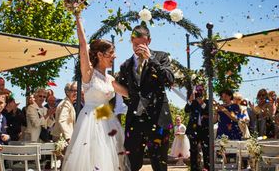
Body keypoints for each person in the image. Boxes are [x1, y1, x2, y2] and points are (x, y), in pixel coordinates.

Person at [62, 12, 130, 171]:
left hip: (107, 117)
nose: (115, 56)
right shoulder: (89, 73)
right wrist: (78, 17)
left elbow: (129, 93)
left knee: (109, 157)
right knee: (91, 157)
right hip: (90, 119)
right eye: (111, 53)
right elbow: (83, 44)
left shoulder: (110, 78)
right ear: (100, 54)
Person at [117, 25, 174, 171]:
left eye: (142, 44)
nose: (138, 47)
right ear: (131, 41)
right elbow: (124, 90)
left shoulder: (161, 57)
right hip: (135, 121)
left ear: (149, 41)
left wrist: (151, 59)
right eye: (135, 44)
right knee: (131, 164)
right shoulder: (126, 65)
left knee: (159, 164)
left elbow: (169, 79)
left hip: (158, 118)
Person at [185, 85, 210, 171]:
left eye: (201, 91)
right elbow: (186, 110)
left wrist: (202, 103)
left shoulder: (207, 101)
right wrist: (190, 100)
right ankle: (194, 169)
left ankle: (207, 168)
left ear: (204, 92)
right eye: (198, 91)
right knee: (193, 151)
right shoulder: (193, 102)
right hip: (193, 130)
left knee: (206, 151)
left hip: (204, 130)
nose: (199, 93)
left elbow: (208, 111)